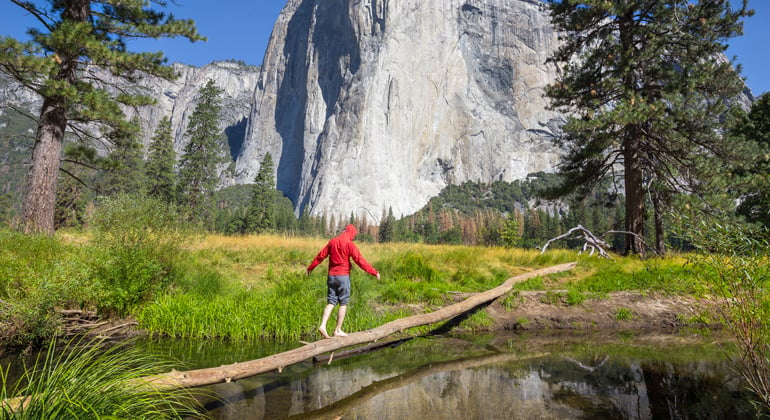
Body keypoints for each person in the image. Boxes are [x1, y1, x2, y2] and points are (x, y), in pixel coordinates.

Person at [307, 224, 380, 338]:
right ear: (352, 233)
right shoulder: (350, 244)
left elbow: (320, 256)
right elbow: (360, 260)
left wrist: (310, 267)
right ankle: (338, 330)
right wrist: (374, 272)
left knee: (331, 301)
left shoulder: (332, 242)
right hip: (343, 276)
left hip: (331, 276)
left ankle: (323, 325)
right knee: (343, 303)